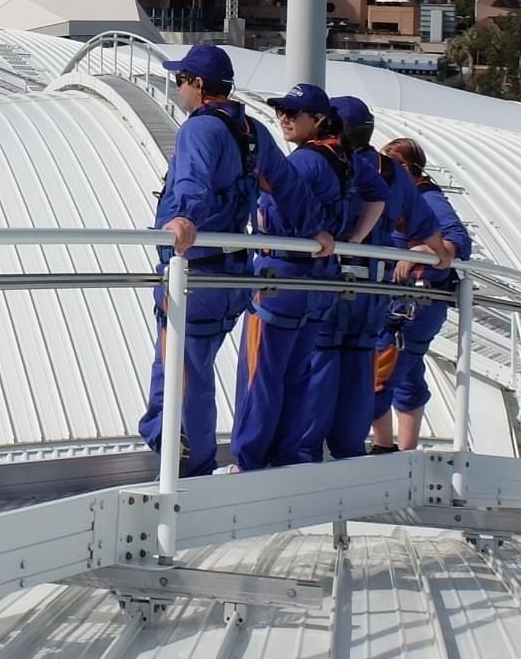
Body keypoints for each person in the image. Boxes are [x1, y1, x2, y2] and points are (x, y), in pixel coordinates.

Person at [135, 43, 278, 478]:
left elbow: (192, 180)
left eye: (180, 81)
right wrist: (315, 234)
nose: (177, 89)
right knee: (182, 365)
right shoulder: (251, 130)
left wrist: (183, 217)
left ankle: (187, 467)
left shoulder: (200, 130)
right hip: (233, 274)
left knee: (185, 371)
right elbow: (285, 185)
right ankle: (168, 446)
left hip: (197, 274)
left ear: (198, 85)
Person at [227, 83, 344, 472]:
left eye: (294, 113)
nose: (284, 118)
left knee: (261, 375)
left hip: (280, 277)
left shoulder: (302, 163)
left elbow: (273, 217)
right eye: (280, 111)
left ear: (319, 120)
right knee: (296, 377)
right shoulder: (344, 159)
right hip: (318, 282)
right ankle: (286, 457)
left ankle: (249, 460)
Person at [293, 96, 392, 461]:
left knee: (319, 363)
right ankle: (349, 454)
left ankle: (302, 454)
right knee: (358, 367)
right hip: (371, 289)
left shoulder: (320, 161)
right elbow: (429, 224)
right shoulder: (387, 170)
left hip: (328, 281)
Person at [370, 136, 470, 453]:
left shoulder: (426, 197)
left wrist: (421, 253)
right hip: (407, 303)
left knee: (376, 378)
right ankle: (405, 450)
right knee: (409, 374)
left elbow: (457, 242)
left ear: (406, 167)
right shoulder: (401, 196)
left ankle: (385, 448)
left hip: (411, 305)